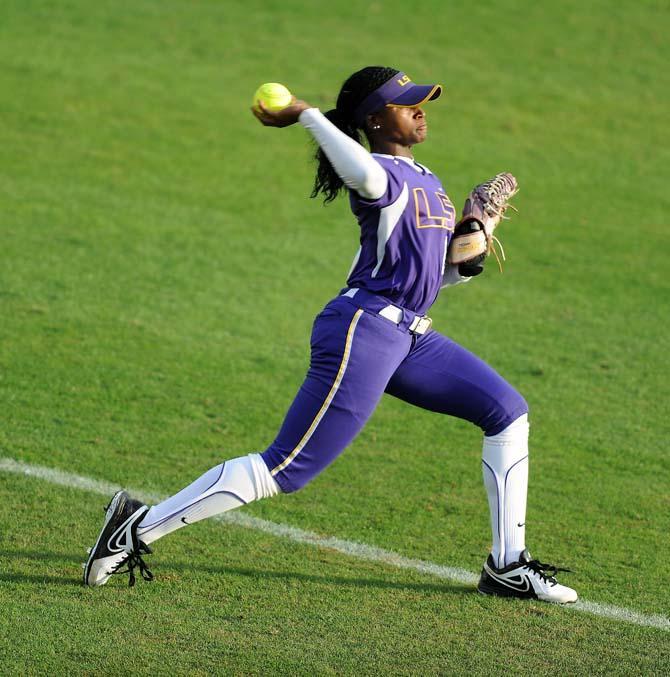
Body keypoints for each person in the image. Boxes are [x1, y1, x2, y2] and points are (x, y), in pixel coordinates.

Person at [83, 66, 577, 604]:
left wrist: (476, 236)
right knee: (285, 468)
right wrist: (305, 114)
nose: (420, 109)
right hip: (362, 332)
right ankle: (133, 529)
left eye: (421, 101)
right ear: (374, 120)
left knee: (507, 410)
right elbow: (358, 170)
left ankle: (507, 566)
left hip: (411, 337)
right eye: (405, 103)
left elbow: (436, 276)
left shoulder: (430, 182)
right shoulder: (379, 177)